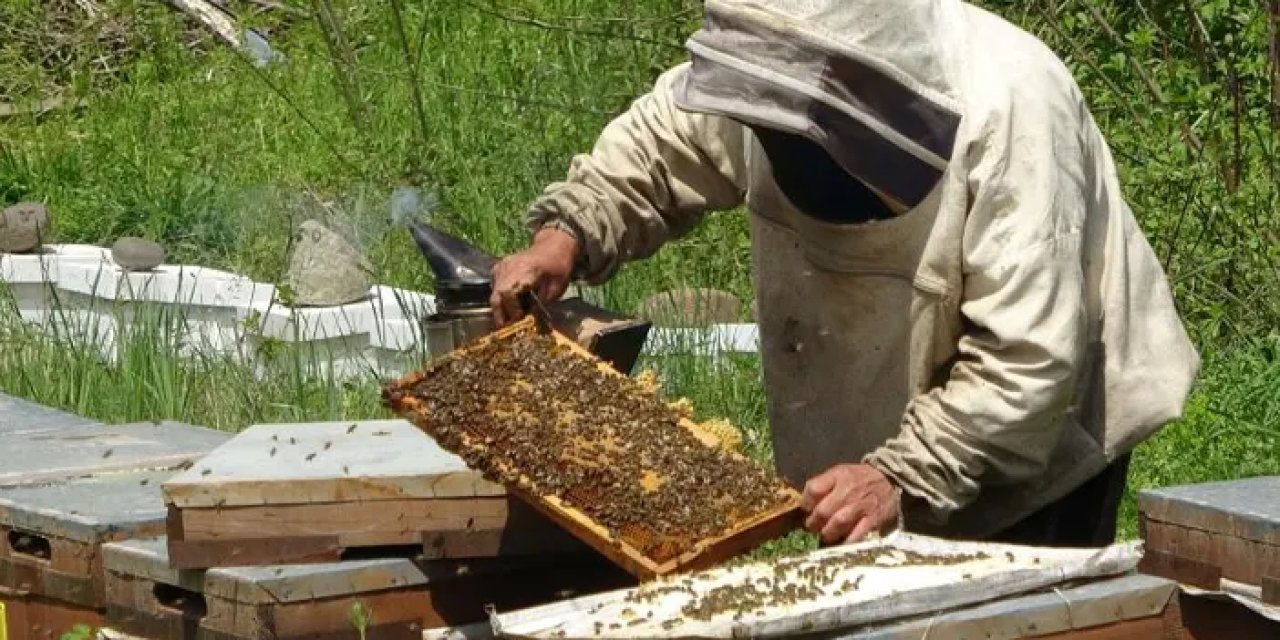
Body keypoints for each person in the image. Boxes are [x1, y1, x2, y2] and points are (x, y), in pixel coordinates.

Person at [487, 0, 1200, 548]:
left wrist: (901, 476)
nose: (768, 141)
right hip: (892, 408)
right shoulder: (771, 61)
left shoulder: (1013, 114)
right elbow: (669, 137)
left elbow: (1027, 364)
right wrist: (569, 230)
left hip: (1041, 446)